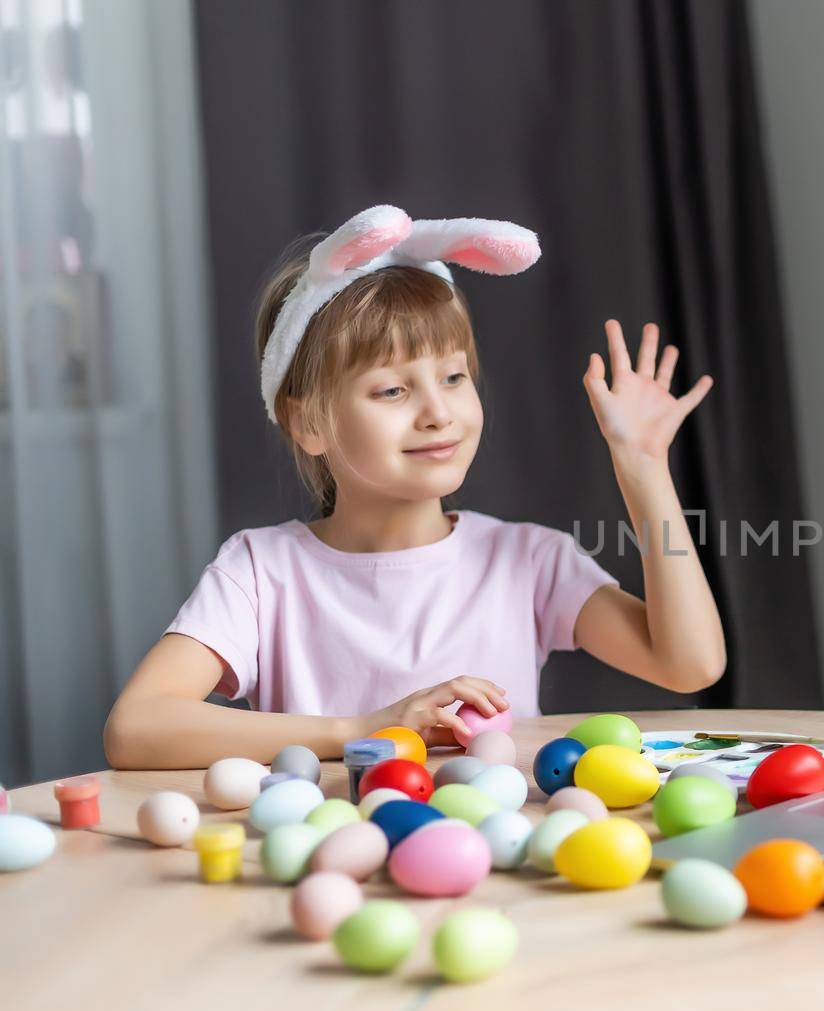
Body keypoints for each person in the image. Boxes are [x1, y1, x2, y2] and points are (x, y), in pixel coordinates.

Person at [103, 205, 725, 769]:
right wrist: (366, 730)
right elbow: (135, 727)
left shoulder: (527, 560)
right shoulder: (261, 572)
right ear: (308, 423)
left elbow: (690, 664)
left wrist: (644, 473)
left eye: (454, 377)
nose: (438, 412)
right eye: (393, 390)